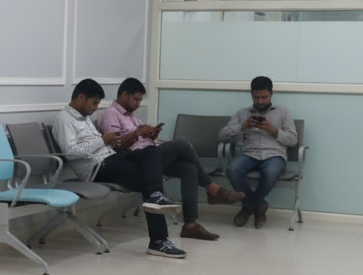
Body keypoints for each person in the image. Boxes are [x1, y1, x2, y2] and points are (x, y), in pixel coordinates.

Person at [53, 79, 187, 259]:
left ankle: (157, 210)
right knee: (149, 181)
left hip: (112, 157)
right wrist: (102, 140)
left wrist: (117, 140)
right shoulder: (64, 119)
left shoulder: (84, 118)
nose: (95, 108)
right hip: (98, 168)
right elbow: (70, 153)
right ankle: (159, 240)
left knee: (151, 151)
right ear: (81, 97)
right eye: (94, 103)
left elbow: (98, 143)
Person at [97, 77, 243, 241]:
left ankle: (190, 225)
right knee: (182, 144)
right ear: (124, 95)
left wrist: (150, 135)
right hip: (136, 160)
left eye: (140, 100)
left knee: (189, 169)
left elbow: (138, 139)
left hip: (150, 155)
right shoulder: (110, 114)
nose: (138, 104)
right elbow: (117, 145)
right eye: (136, 99)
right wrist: (138, 133)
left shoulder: (131, 116)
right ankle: (213, 189)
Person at [218, 75, 298, 229]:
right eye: (256, 97)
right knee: (232, 169)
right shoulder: (242, 114)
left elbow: (293, 140)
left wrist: (273, 130)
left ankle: (248, 207)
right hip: (248, 154)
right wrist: (242, 127)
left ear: (271, 94)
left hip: (274, 156)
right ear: (251, 95)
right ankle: (258, 205)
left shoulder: (283, 113)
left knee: (271, 172)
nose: (260, 101)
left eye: (264, 97)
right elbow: (221, 136)